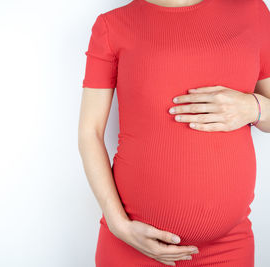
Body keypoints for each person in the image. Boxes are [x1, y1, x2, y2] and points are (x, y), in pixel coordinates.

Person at [78, 0, 270, 266]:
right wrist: (117, 223)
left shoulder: (251, 11)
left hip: (229, 247)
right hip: (132, 244)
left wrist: (254, 107)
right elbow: (90, 131)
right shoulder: (113, 26)